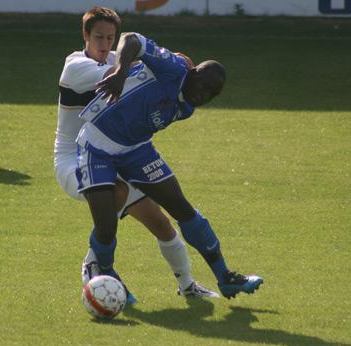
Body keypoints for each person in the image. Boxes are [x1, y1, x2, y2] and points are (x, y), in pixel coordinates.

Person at [75, 32, 263, 299]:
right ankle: (106, 274)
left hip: (136, 150)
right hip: (97, 145)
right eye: (205, 85)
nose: (205, 94)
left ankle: (225, 276)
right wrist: (120, 70)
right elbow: (131, 39)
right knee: (106, 227)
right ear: (193, 72)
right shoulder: (172, 69)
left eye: (213, 94)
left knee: (182, 209)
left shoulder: (186, 109)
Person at [54, 7, 218, 304]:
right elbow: (130, 73)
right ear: (85, 36)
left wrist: (179, 65)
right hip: (75, 159)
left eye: (110, 37)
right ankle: (94, 264)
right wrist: (173, 63)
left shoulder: (120, 59)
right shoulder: (75, 67)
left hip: (114, 156)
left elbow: (175, 65)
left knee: (161, 222)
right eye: (98, 37)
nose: (105, 44)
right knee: (116, 192)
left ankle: (188, 285)